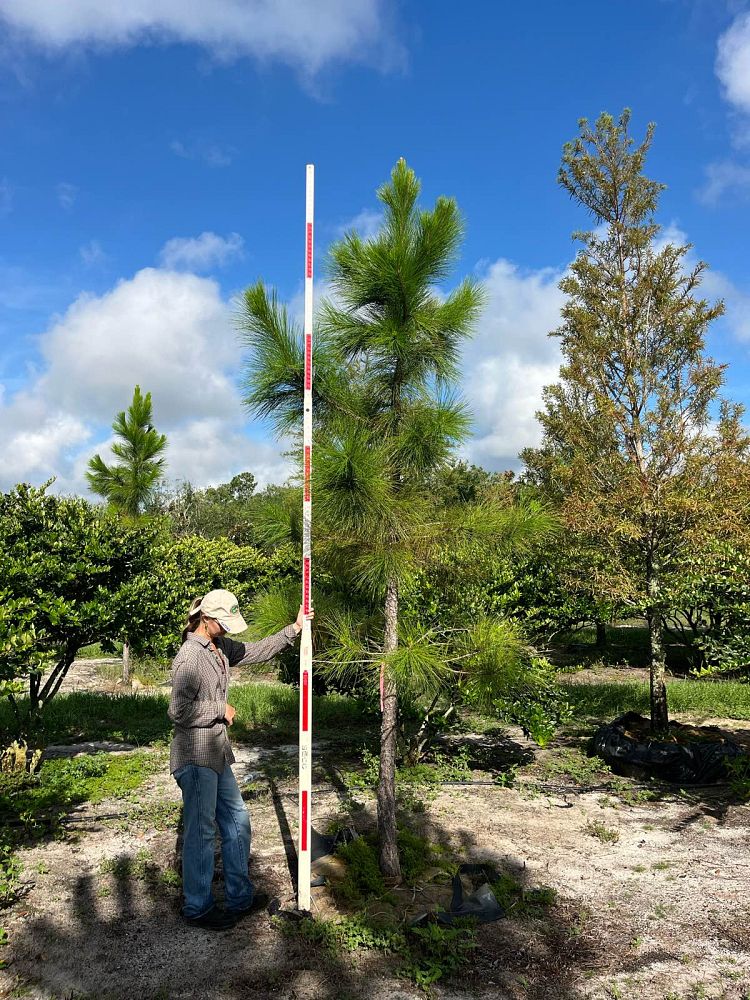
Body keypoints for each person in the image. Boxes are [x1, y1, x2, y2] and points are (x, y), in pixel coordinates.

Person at [168, 588, 311, 930]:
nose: (231, 629)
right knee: (202, 833)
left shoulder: (219, 647)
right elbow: (178, 711)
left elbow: (256, 651)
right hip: (195, 756)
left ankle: (239, 898)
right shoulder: (190, 657)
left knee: (236, 822)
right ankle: (198, 908)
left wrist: (292, 631)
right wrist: (220, 708)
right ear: (207, 619)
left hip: (216, 752)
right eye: (225, 623)